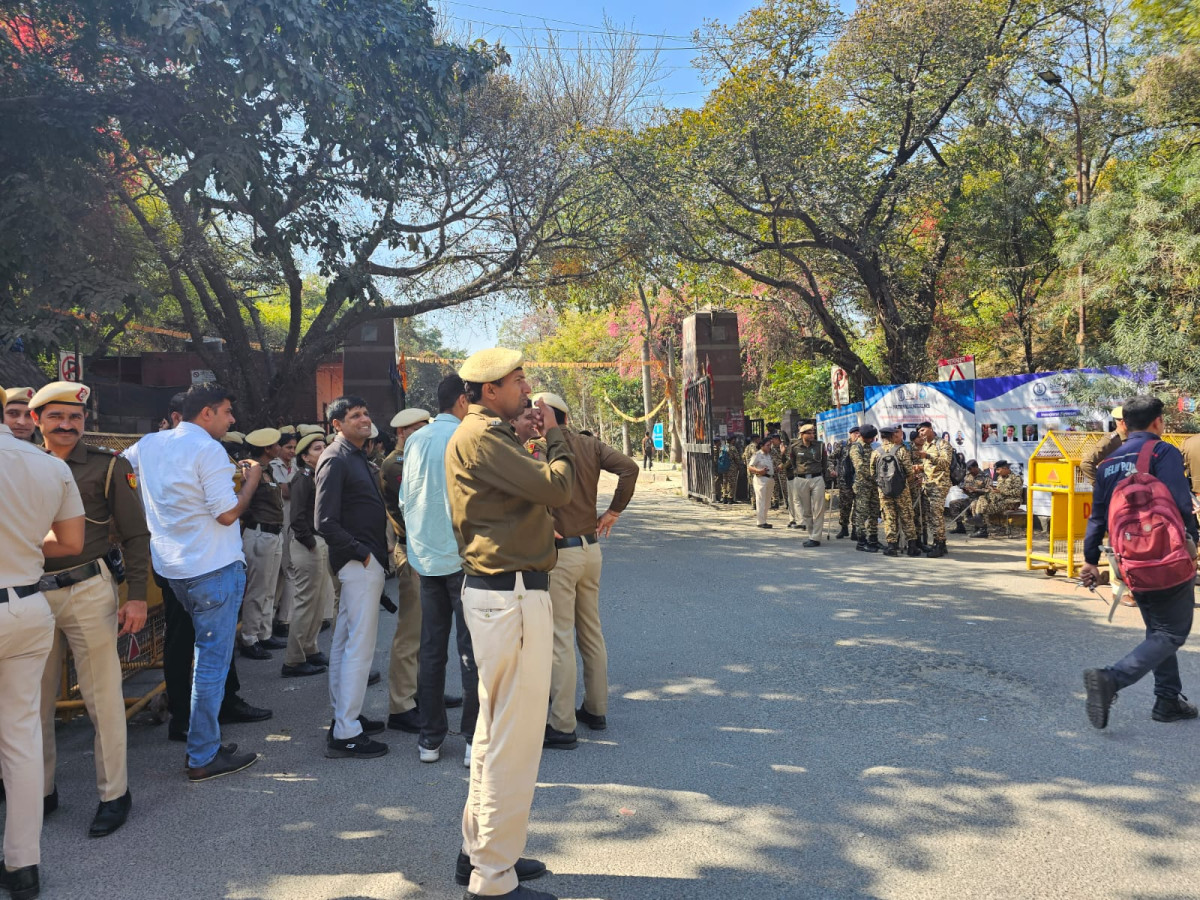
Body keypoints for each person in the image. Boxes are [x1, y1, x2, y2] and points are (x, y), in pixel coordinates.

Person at [446, 348, 572, 900]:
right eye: (519, 381)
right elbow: (557, 488)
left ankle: (481, 853)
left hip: (503, 594)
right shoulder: (482, 436)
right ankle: (493, 876)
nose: (528, 389)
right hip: (510, 594)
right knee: (512, 740)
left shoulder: (483, 433)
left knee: (494, 731)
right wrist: (558, 437)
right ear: (490, 390)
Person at [30, 382, 148, 838]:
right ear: (38, 420)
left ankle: (114, 793)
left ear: (84, 422)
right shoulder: (20, 466)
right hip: (30, 594)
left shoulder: (107, 467)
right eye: (56, 417)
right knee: (31, 702)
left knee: (102, 698)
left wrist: (136, 595)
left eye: (75, 418)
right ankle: (39, 791)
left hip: (87, 590)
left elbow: (137, 535)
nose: (66, 425)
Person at [125, 395, 270, 743]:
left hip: (171, 564)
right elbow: (227, 514)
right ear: (206, 413)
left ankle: (188, 722)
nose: (232, 420)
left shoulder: (147, 444)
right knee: (210, 661)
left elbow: (119, 470)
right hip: (211, 565)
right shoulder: (208, 449)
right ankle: (203, 746)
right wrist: (252, 479)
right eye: (227, 412)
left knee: (184, 643)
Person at [0, 384, 85, 900]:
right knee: (22, 738)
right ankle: (23, 864)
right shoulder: (49, 466)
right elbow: (71, 543)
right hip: (27, 604)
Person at [1080, 395, 1199, 729]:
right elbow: (1180, 501)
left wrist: (1090, 561)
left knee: (1158, 629)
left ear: (1123, 425)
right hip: (1167, 555)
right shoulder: (1163, 452)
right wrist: (1193, 542)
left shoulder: (1107, 465)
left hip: (1129, 559)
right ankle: (1111, 680)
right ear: (1158, 421)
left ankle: (1167, 701)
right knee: (1172, 632)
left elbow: (1098, 518)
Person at [536, 392, 638, 750]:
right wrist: (613, 512)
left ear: (549, 416)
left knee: (560, 638)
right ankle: (595, 709)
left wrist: (544, 520)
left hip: (560, 555)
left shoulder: (542, 448)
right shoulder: (590, 445)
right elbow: (629, 467)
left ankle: (562, 724)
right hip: (590, 549)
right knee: (591, 632)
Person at [402, 375, 478, 769]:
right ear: (463, 401)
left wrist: (415, 555)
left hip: (427, 561)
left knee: (431, 652)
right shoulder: (465, 438)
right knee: (471, 652)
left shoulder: (415, 440)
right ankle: (471, 739)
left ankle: (429, 739)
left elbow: (406, 501)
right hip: (464, 561)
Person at [315, 396, 390, 759]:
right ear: (336, 424)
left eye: (365, 413)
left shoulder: (357, 456)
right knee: (358, 647)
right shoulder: (336, 458)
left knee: (346, 644)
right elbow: (324, 522)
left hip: (365, 561)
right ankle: (346, 730)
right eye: (354, 415)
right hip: (359, 562)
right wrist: (361, 553)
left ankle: (347, 719)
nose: (364, 419)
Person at [380, 407, 430, 738]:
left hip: (426, 551)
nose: (425, 436)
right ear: (402, 433)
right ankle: (401, 705)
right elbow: (412, 507)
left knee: (429, 631)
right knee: (411, 631)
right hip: (412, 550)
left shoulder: (415, 457)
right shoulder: (396, 464)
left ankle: (422, 692)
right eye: (417, 431)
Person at [282, 433, 332, 677]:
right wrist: (310, 542)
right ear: (305, 457)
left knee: (318, 601)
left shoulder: (315, 475)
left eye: (323, 446)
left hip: (317, 542)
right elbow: (297, 517)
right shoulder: (302, 479)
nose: (322, 451)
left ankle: (310, 649)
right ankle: (293, 659)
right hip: (307, 544)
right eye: (316, 448)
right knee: (305, 602)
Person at [238, 428, 287, 660]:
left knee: (268, 588)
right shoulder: (251, 470)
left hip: (272, 533)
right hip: (259, 532)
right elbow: (244, 503)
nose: (280, 447)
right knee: (258, 588)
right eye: (276, 444)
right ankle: (249, 637)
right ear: (268, 449)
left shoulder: (267, 470)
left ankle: (264, 633)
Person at [872, 427, 920, 557]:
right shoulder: (902, 451)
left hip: (884, 491)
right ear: (893, 436)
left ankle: (891, 547)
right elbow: (909, 471)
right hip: (902, 490)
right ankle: (912, 547)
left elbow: (873, 473)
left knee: (889, 517)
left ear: (882, 437)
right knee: (907, 516)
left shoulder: (876, 452)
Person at [270, 432, 299, 642]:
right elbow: (286, 492)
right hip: (280, 522)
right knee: (285, 571)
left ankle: (279, 616)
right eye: (288, 447)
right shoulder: (272, 467)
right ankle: (284, 619)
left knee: (286, 571)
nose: (292, 451)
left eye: (294, 447)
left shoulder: (295, 465)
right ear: (278, 448)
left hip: (292, 522)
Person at [914, 421, 953, 558]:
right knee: (931, 516)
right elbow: (928, 466)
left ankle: (940, 544)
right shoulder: (925, 445)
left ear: (931, 429)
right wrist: (919, 467)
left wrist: (928, 456)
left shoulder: (942, 444)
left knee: (936, 515)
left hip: (939, 484)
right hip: (928, 484)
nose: (921, 434)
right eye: (919, 432)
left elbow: (946, 463)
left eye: (923, 430)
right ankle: (939, 542)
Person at [785, 424, 827, 546]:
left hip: (817, 478)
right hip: (801, 479)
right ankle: (811, 534)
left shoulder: (820, 446)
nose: (812, 435)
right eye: (809, 433)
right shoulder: (794, 447)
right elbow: (792, 463)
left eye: (813, 432)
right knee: (806, 510)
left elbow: (825, 461)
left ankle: (816, 538)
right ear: (802, 434)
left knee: (819, 509)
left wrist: (827, 475)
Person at [969, 460, 1024, 538]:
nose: (997, 472)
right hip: (999, 500)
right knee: (976, 502)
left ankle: (982, 529)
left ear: (1005, 468)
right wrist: (993, 489)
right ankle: (978, 527)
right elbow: (998, 491)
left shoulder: (1016, 478)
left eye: (998, 470)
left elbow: (1017, 492)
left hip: (1011, 502)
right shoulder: (1000, 477)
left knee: (983, 508)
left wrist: (1000, 491)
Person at [852, 425, 881, 552]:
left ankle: (873, 539)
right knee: (861, 514)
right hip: (863, 486)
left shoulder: (871, 446)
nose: (872, 440)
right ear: (864, 437)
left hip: (873, 486)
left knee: (874, 513)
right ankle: (861, 541)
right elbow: (860, 467)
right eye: (870, 438)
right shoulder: (856, 447)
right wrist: (874, 476)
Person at [1080, 407, 1127, 484]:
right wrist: (1102, 487)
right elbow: (1086, 464)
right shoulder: (1110, 440)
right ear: (1123, 422)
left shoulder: (1134, 438)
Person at [948, 460, 989, 534]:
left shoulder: (985, 476)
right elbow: (964, 485)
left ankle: (979, 528)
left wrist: (976, 490)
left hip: (981, 500)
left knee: (974, 504)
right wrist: (965, 489)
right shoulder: (968, 476)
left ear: (976, 467)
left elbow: (989, 490)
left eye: (970, 469)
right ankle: (960, 527)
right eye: (968, 469)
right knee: (953, 503)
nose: (969, 471)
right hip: (969, 498)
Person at [834, 428, 859, 540]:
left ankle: (855, 530)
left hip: (858, 481)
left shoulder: (862, 446)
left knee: (858, 507)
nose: (857, 435)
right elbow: (831, 458)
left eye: (859, 433)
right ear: (850, 434)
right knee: (845, 506)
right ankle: (844, 528)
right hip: (845, 481)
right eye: (855, 433)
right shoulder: (843, 445)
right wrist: (831, 470)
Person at [747, 437, 775, 529]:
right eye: (767, 445)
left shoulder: (769, 455)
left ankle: (764, 520)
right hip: (761, 479)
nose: (769, 447)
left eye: (770, 445)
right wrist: (759, 471)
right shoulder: (757, 455)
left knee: (767, 501)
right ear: (761, 446)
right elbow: (750, 467)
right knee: (761, 500)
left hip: (770, 479)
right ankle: (760, 521)